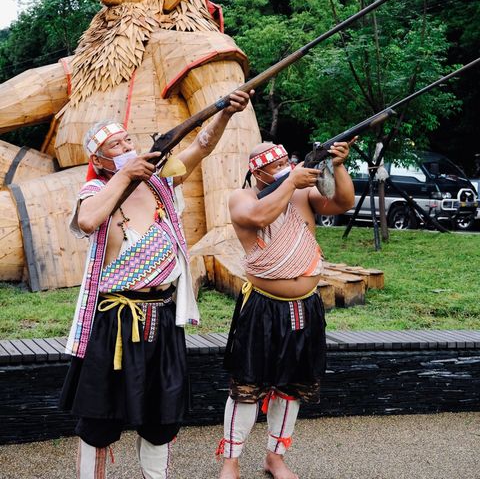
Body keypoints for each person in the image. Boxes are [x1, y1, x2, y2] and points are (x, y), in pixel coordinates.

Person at [59, 90, 251, 479]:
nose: (127, 146)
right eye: (116, 145)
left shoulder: (163, 183)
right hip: (115, 322)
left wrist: (224, 113)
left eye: (128, 139)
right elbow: (87, 222)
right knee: (99, 422)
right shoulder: (96, 191)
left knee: (161, 419)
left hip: (162, 318)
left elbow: (201, 145)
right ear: (98, 160)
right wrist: (126, 175)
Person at [217, 141, 355, 479]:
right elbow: (260, 216)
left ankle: (275, 457)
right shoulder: (243, 197)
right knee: (247, 387)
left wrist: (337, 165)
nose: (284, 167)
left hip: (304, 307)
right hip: (263, 306)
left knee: (291, 387)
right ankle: (230, 462)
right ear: (258, 172)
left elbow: (343, 202)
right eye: (275, 164)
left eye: (285, 161)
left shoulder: (302, 194)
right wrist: (291, 181)